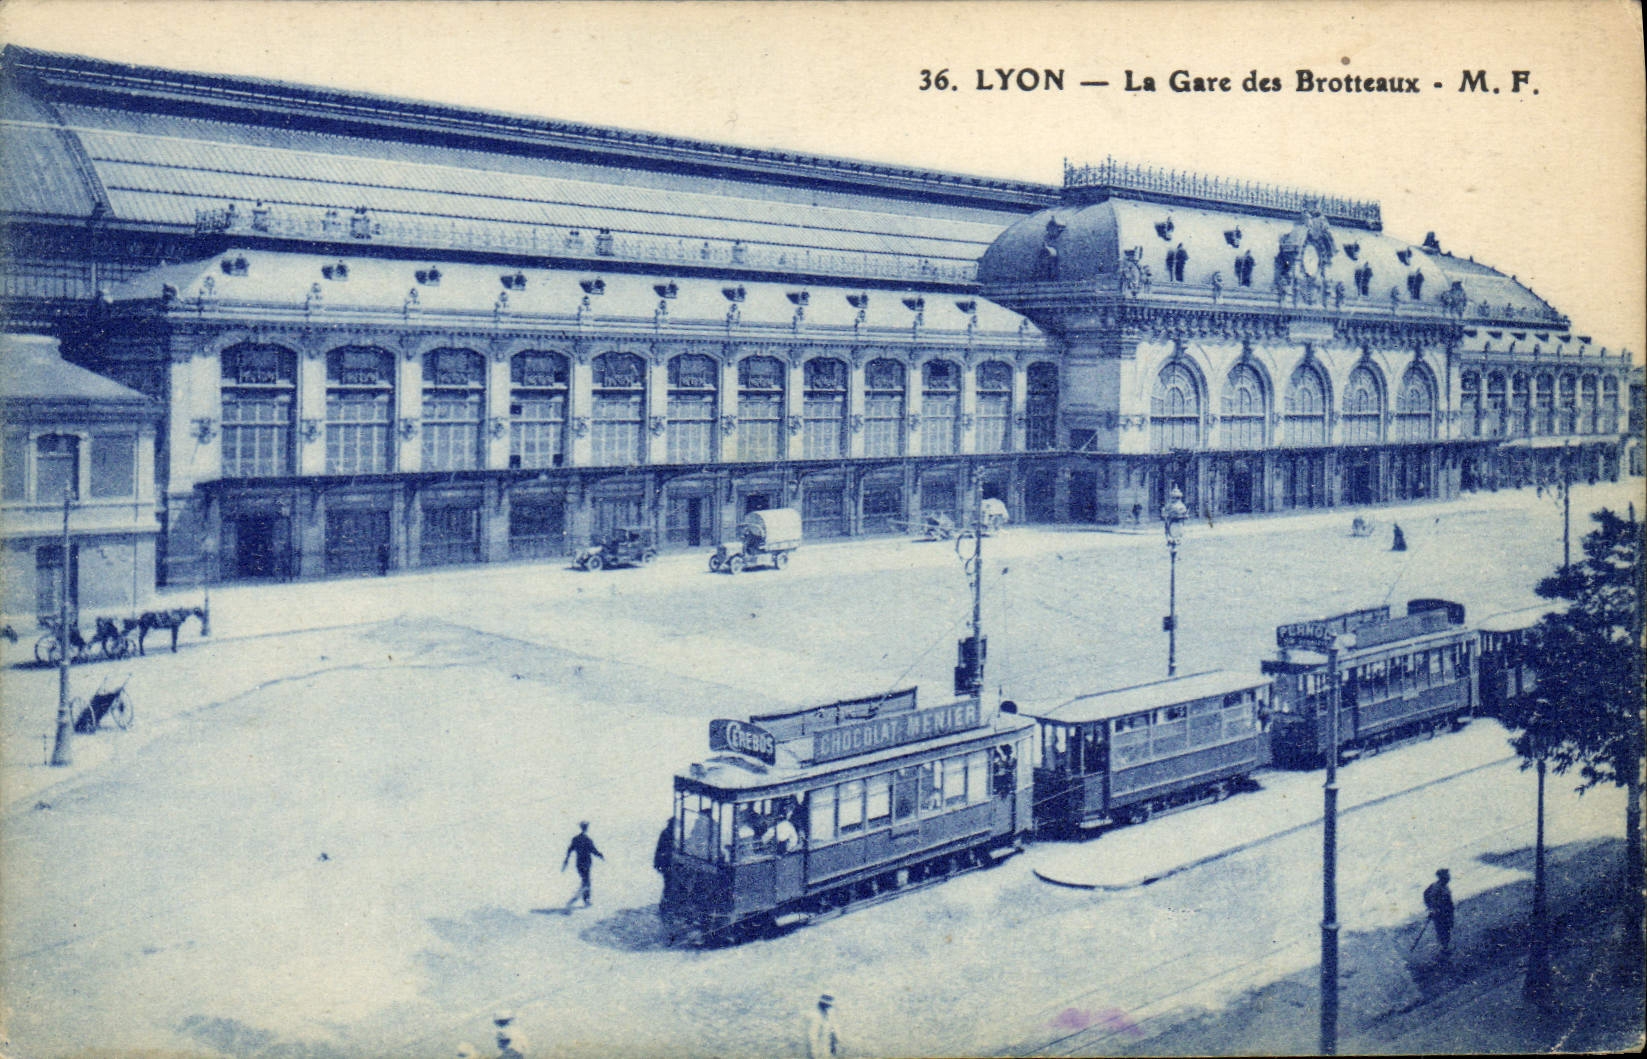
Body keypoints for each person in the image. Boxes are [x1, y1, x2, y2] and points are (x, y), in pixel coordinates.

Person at [562, 821, 604, 909]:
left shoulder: (575, 839)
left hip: (579, 863)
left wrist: (566, 861)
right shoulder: (588, 839)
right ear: (586, 828)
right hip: (587, 863)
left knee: (585, 880)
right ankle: (581, 899)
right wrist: (601, 855)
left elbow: (569, 850)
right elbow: (593, 850)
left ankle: (585, 899)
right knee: (586, 881)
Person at [1423, 868, 1454, 953]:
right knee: (1442, 930)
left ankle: (1444, 947)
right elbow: (1428, 897)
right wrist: (1432, 908)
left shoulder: (1444, 887)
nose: (1449, 878)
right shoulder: (1437, 887)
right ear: (1442, 877)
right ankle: (1443, 948)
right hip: (1440, 913)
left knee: (1446, 929)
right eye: (1447, 876)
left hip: (1446, 912)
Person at [807, 993, 841, 1059]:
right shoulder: (815, 1017)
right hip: (819, 1054)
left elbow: (834, 1034)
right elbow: (812, 1038)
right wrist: (814, 1055)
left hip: (827, 1053)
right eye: (827, 1006)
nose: (829, 1008)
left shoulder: (827, 1017)